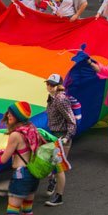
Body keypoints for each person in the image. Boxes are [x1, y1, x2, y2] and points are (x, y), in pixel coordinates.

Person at [42, 74, 76, 207]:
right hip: (53, 134)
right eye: (48, 83)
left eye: (51, 84)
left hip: (61, 136)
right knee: (52, 164)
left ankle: (59, 196)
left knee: (59, 168)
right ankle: (52, 180)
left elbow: (71, 121)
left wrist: (67, 138)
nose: (48, 86)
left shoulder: (61, 99)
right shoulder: (52, 97)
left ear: (58, 86)